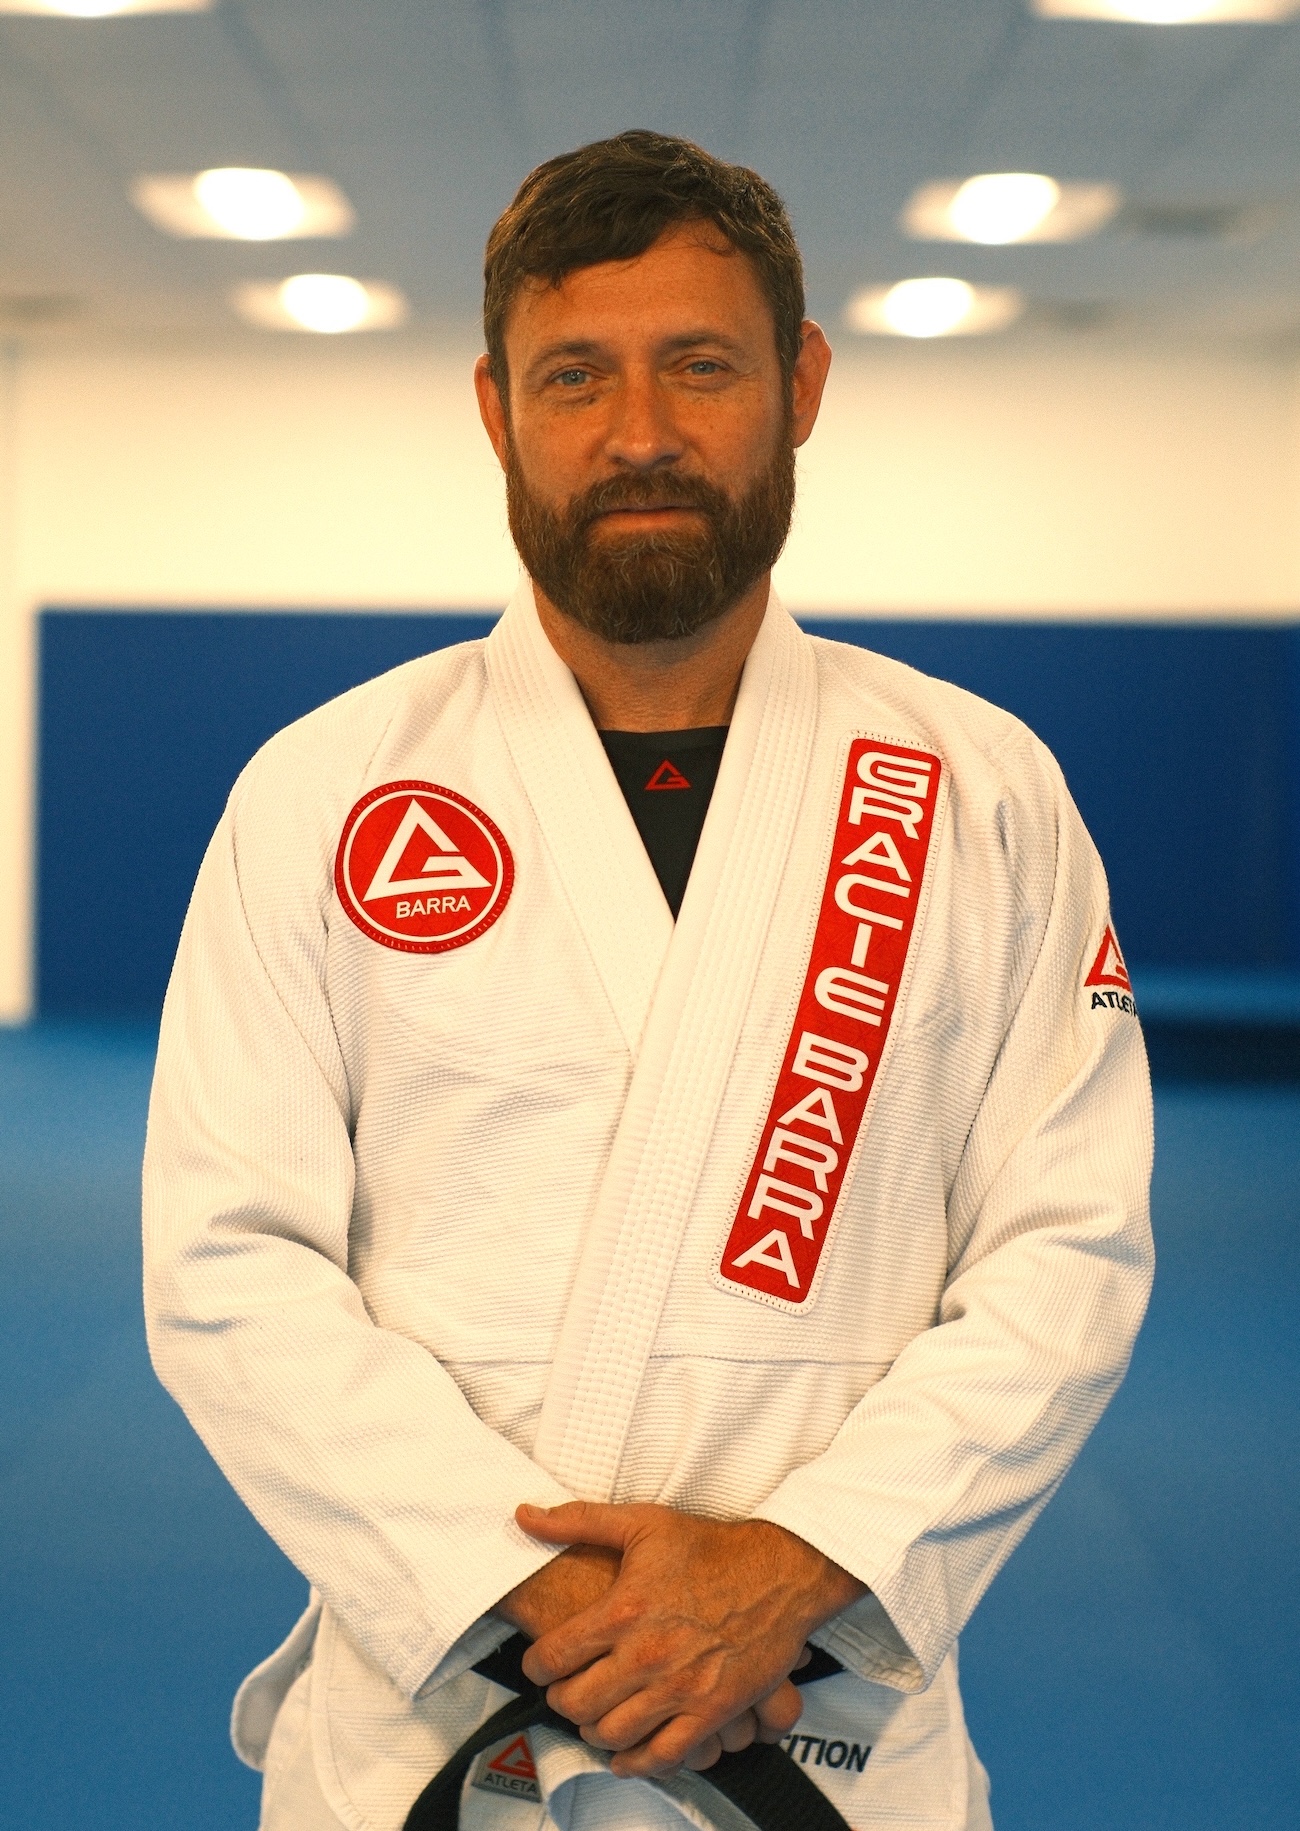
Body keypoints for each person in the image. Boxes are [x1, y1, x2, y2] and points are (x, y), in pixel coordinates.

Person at [142, 130, 1154, 1831]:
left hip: (820, 1702)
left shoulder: (979, 793)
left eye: (701, 365)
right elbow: (227, 1259)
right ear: (495, 408)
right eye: (575, 375)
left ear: (801, 383)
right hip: (439, 1700)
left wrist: (792, 1567)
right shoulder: (322, 792)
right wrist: (538, 1598)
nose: (640, 434)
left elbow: (1071, 1248)